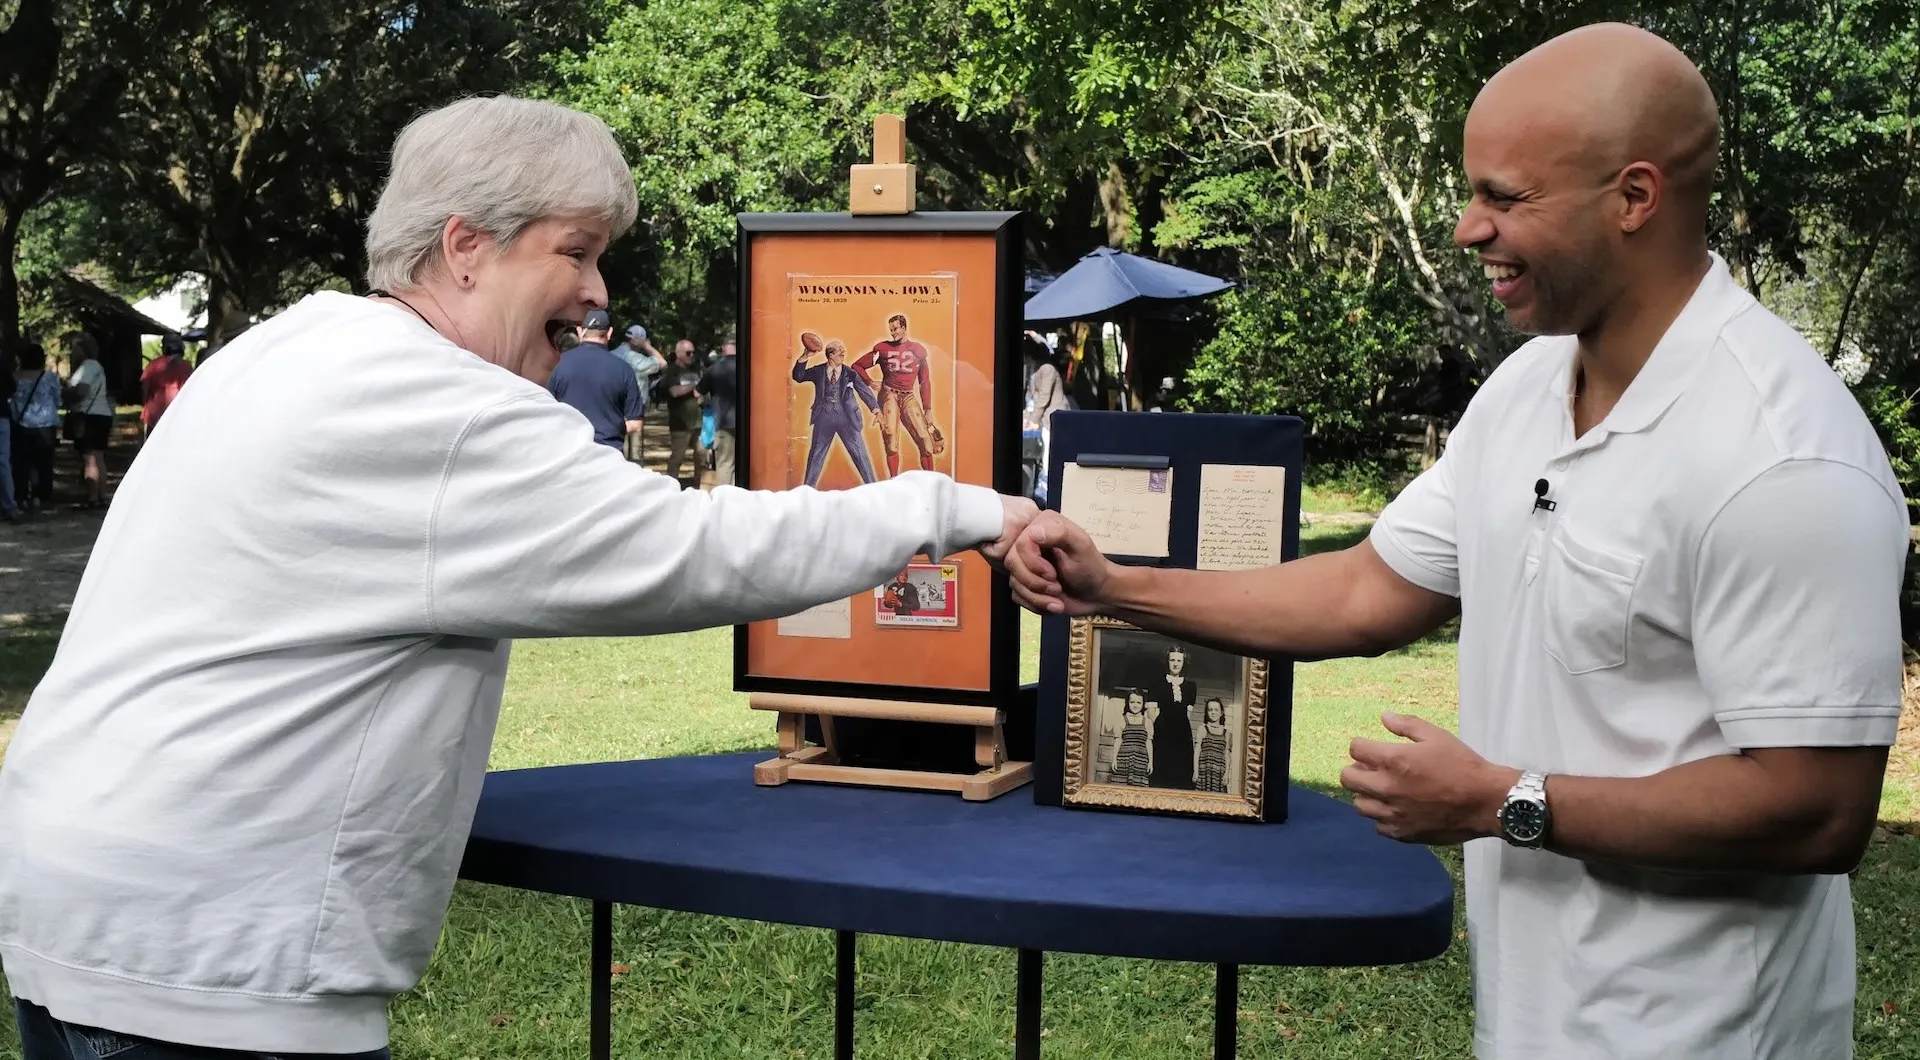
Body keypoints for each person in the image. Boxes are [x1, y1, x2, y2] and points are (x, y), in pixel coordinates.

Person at [0, 95, 1036, 1060]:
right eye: (575, 251)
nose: (598, 291)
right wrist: (964, 509)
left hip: (95, 914)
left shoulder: (293, 346)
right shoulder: (432, 403)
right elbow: (694, 551)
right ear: (465, 248)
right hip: (210, 965)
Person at [1008, 23, 1906, 1060]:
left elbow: (1818, 810)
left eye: (1507, 197)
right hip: (1533, 1021)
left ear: (1636, 197)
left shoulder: (1782, 457)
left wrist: (1502, 802)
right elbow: (1363, 592)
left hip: (1708, 1033)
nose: (1469, 227)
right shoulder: (1525, 390)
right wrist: (1113, 584)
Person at [852, 313, 944, 476]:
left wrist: (928, 409)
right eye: (891, 329)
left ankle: (931, 480)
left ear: (904, 327)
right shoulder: (883, 349)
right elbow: (857, 365)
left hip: (908, 395)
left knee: (925, 440)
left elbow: (925, 382)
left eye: (895, 329)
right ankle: (894, 481)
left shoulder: (918, 350)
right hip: (889, 395)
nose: (893, 333)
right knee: (891, 441)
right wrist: (870, 382)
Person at [545, 308, 644, 451]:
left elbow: (546, 411)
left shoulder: (558, 364)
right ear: (609, 333)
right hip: (608, 453)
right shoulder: (624, 369)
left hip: (567, 452)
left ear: (579, 331)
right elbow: (635, 424)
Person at [792, 338, 880, 486]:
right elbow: (798, 377)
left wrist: (875, 409)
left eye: (843, 350)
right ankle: (807, 490)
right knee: (816, 456)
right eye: (839, 350)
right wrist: (805, 356)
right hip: (823, 418)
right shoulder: (818, 371)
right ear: (830, 355)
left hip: (847, 418)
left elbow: (863, 390)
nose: (843, 353)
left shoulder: (850, 373)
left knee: (860, 454)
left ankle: (872, 486)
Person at [61, 331, 112, 509]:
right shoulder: (96, 366)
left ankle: (92, 497)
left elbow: (81, 392)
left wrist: (66, 392)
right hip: (101, 415)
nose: (72, 352)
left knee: (90, 458)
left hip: (89, 417)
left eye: (75, 348)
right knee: (99, 458)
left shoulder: (88, 366)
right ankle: (102, 496)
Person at [9, 343, 60, 515]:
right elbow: (57, 399)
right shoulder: (50, 377)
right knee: (44, 465)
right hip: (46, 425)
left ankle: (22, 497)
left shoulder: (15, 377)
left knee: (21, 464)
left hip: (22, 425)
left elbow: (12, 402)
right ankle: (43, 498)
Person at [612, 324, 665, 462]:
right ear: (637, 341)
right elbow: (662, 363)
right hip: (635, 407)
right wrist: (648, 347)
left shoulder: (612, 354)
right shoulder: (637, 359)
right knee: (635, 450)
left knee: (618, 446)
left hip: (615, 406)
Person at [1149, 646, 1195, 789]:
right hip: (1162, 733)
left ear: (1183, 662)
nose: (1175, 664)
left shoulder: (1191, 686)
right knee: (1161, 772)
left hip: (1182, 736)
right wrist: (1159, 734)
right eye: (1172, 660)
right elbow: (1151, 714)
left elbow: (1187, 714)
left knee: (1181, 772)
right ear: (1167, 662)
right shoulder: (1156, 683)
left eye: (1179, 660)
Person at [662, 338, 704, 486]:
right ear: (678, 353)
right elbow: (674, 391)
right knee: (677, 457)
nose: (691, 356)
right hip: (681, 424)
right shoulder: (672, 371)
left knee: (701, 457)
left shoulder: (696, 370)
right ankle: (670, 486)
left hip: (699, 422)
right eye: (688, 353)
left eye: (693, 353)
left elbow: (702, 391)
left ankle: (700, 485)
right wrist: (694, 386)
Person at [698, 337, 738, 486]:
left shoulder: (714, 368)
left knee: (725, 463)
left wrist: (709, 402)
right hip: (749, 424)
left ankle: (725, 500)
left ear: (723, 348)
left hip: (724, 421)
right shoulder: (750, 365)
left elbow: (698, 392)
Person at [139, 333, 194, 436]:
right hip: (178, 414)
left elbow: (144, 388)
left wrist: (146, 404)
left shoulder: (153, 365)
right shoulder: (186, 366)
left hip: (154, 414)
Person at [0, 345, 17, 521]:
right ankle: (9, 505)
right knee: (3, 462)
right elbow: (13, 387)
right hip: (1, 416)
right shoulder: (2, 365)